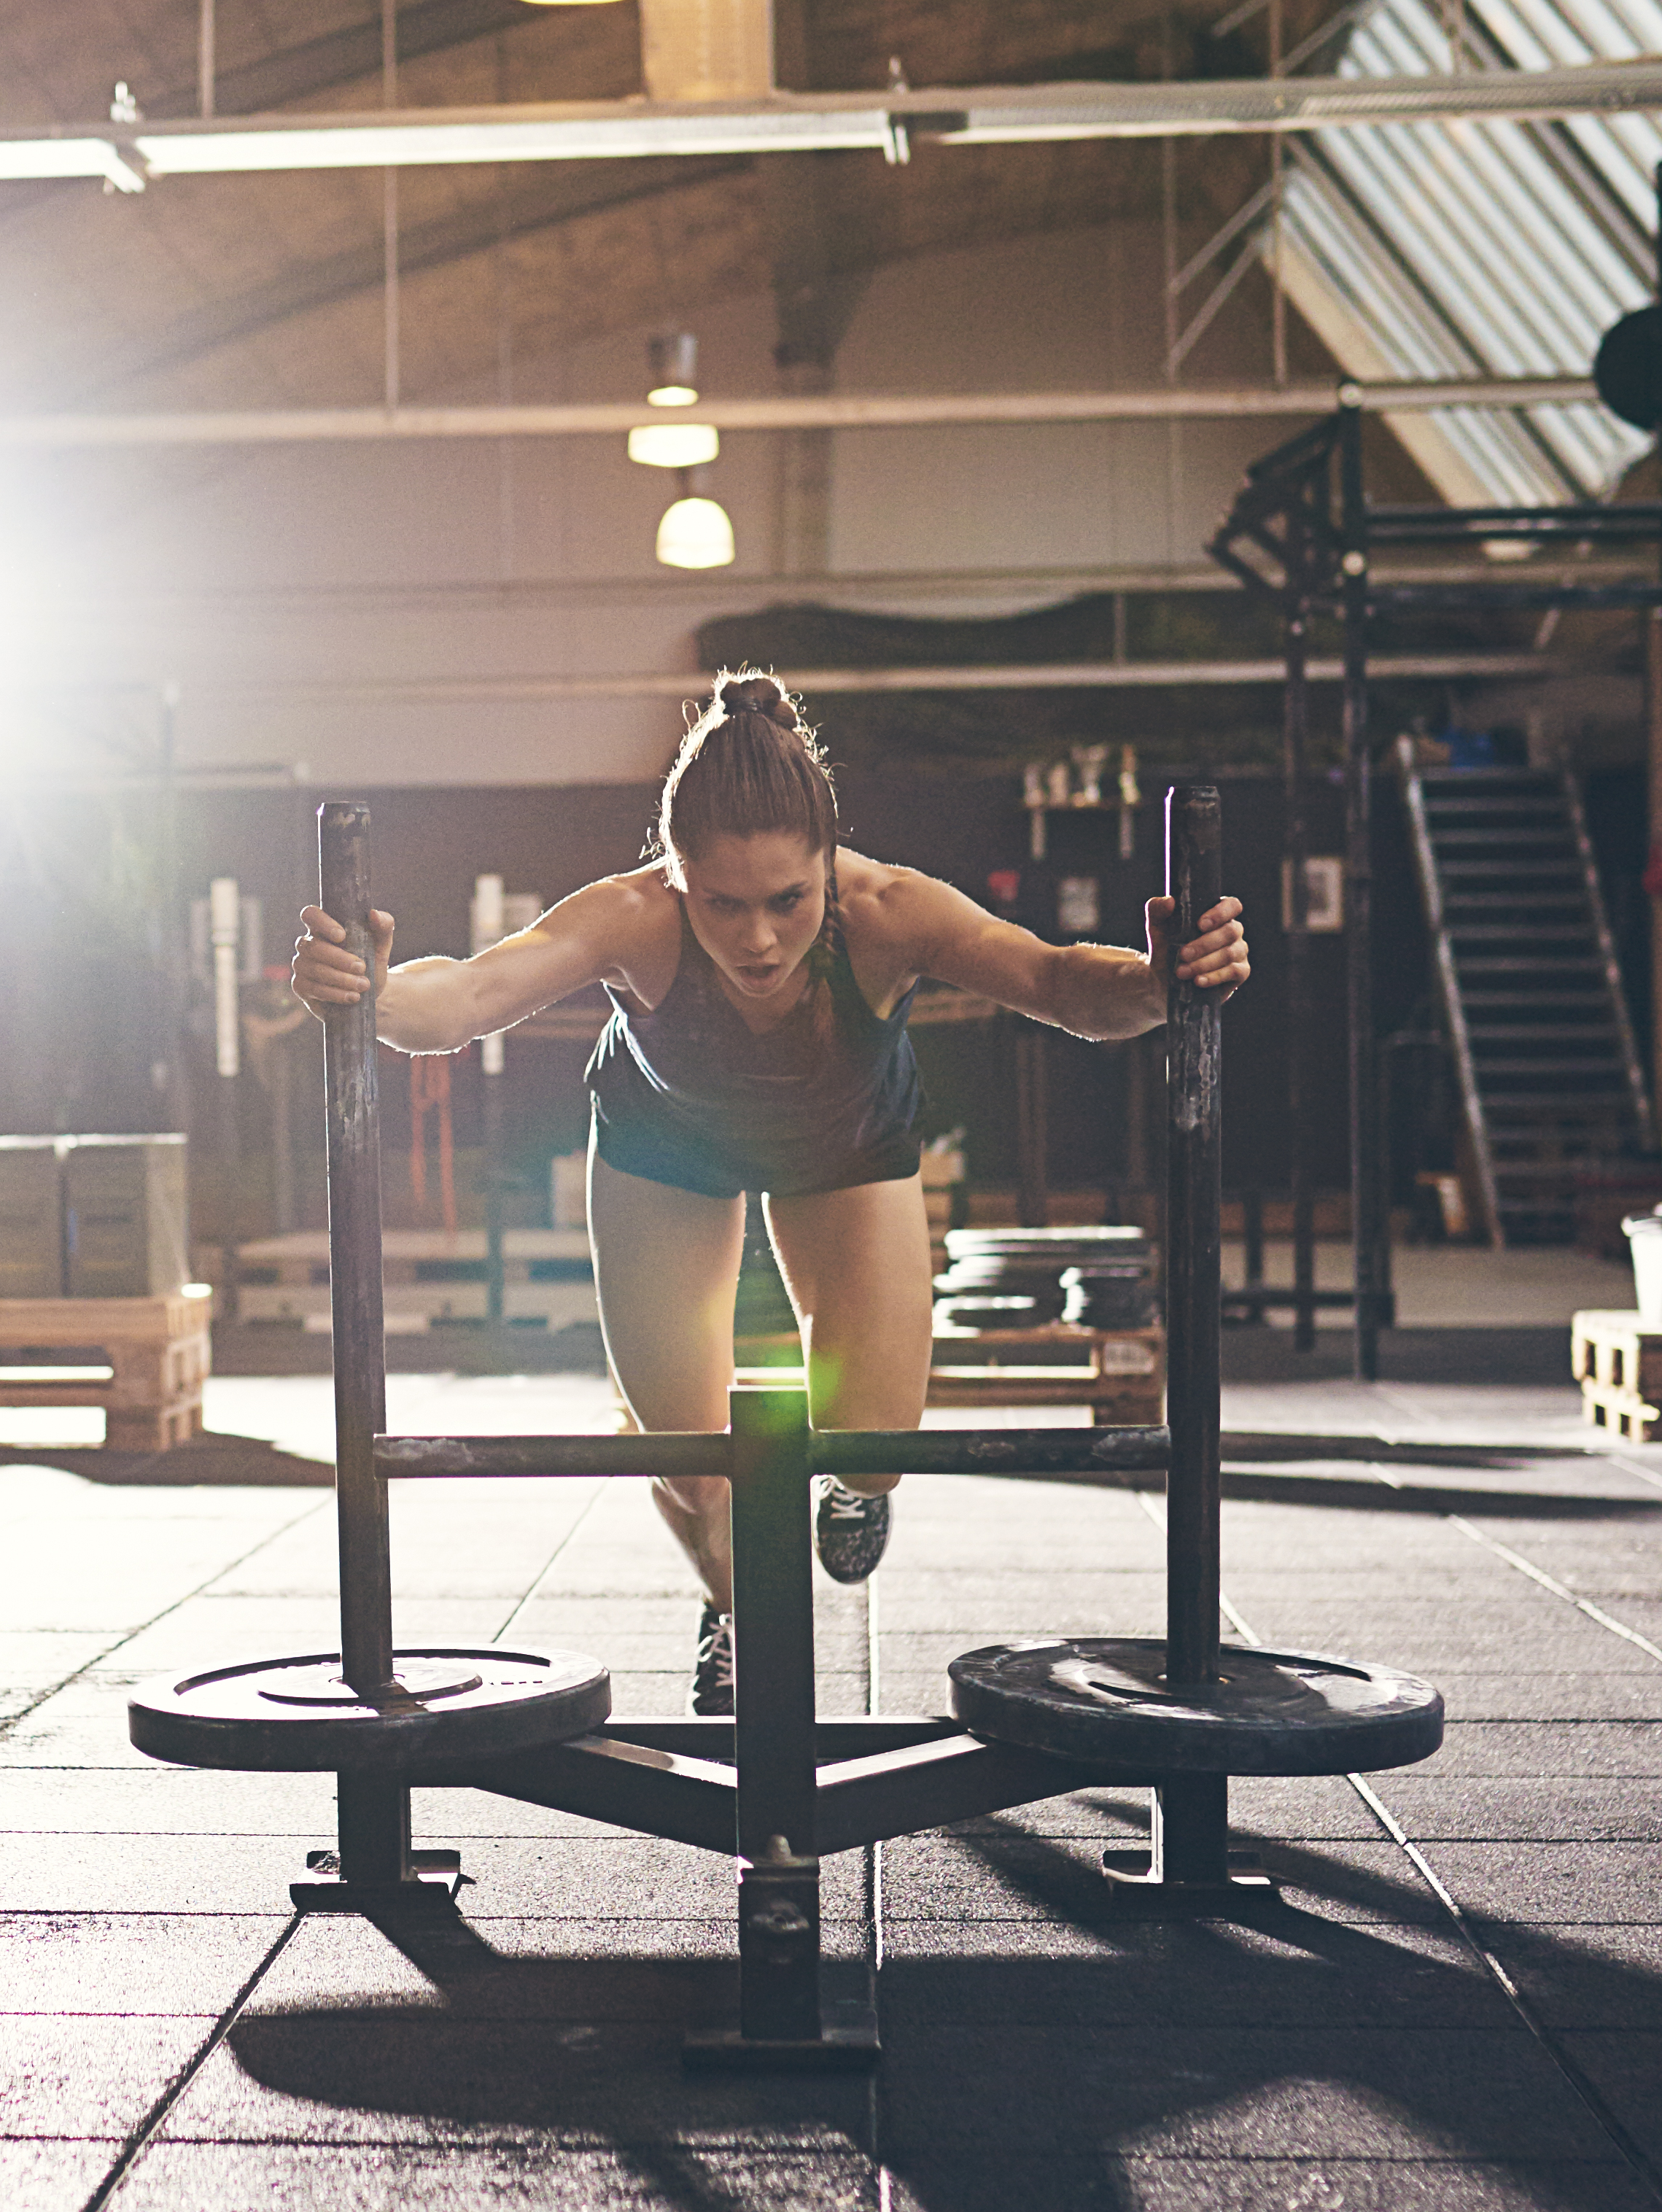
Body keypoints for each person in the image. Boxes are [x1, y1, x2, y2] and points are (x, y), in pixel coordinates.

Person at [286, 670, 1250, 1710]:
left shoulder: (890, 911)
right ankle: (744, 1615)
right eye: (722, 904)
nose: (755, 939)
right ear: (677, 874)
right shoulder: (632, 917)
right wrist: (372, 993)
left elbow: (1059, 983)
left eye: (788, 901)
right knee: (691, 1458)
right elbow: (470, 996)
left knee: (874, 1442)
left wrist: (1159, 984)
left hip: (846, 1152)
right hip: (667, 1154)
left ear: (829, 869)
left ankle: (855, 1494)